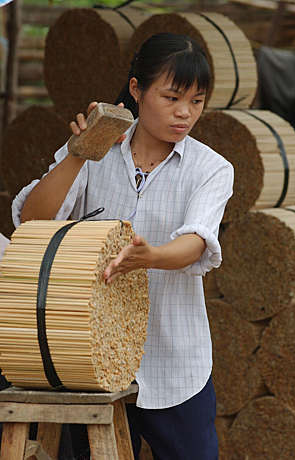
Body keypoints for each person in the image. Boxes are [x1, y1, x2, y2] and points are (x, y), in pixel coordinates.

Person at [12, 33, 234, 460]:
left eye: (197, 101)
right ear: (136, 90)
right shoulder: (98, 146)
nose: (184, 113)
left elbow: (195, 242)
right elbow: (33, 222)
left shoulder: (212, 168)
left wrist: (150, 257)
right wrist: (79, 152)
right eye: (171, 97)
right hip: (91, 356)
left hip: (176, 360)